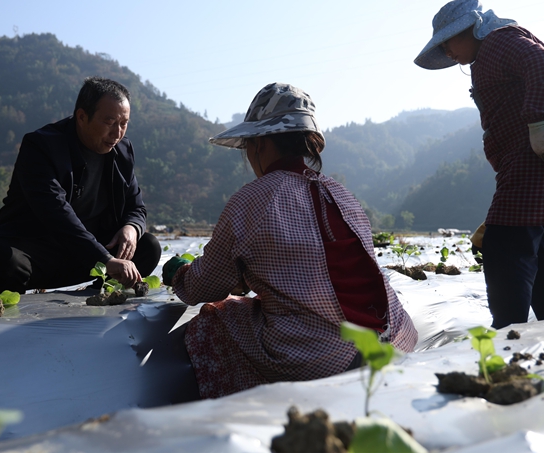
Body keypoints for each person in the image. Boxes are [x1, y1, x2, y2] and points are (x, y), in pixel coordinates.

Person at [161, 83, 418, 399]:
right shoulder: (343, 195)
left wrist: (179, 274)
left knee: (214, 321)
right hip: (395, 341)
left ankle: (238, 414)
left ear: (260, 144)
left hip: (323, 358)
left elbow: (204, 287)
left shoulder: (253, 199)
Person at [415, 0, 544, 329]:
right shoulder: (489, 52)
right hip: (537, 155)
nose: (449, 53)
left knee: (504, 242)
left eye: (449, 41)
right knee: (539, 250)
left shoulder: (498, 40)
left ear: (471, 28)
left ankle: (507, 333)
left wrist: (539, 123)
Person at [0, 76, 161, 294]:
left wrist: (131, 229)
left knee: (148, 247)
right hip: (37, 250)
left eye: (123, 124)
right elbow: (56, 214)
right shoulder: (41, 146)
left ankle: (101, 292)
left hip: (85, 255)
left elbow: (136, 207)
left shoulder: (122, 152)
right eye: (109, 122)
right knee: (1, 261)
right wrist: (104, 259)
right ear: (81, 116)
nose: (117, 133)